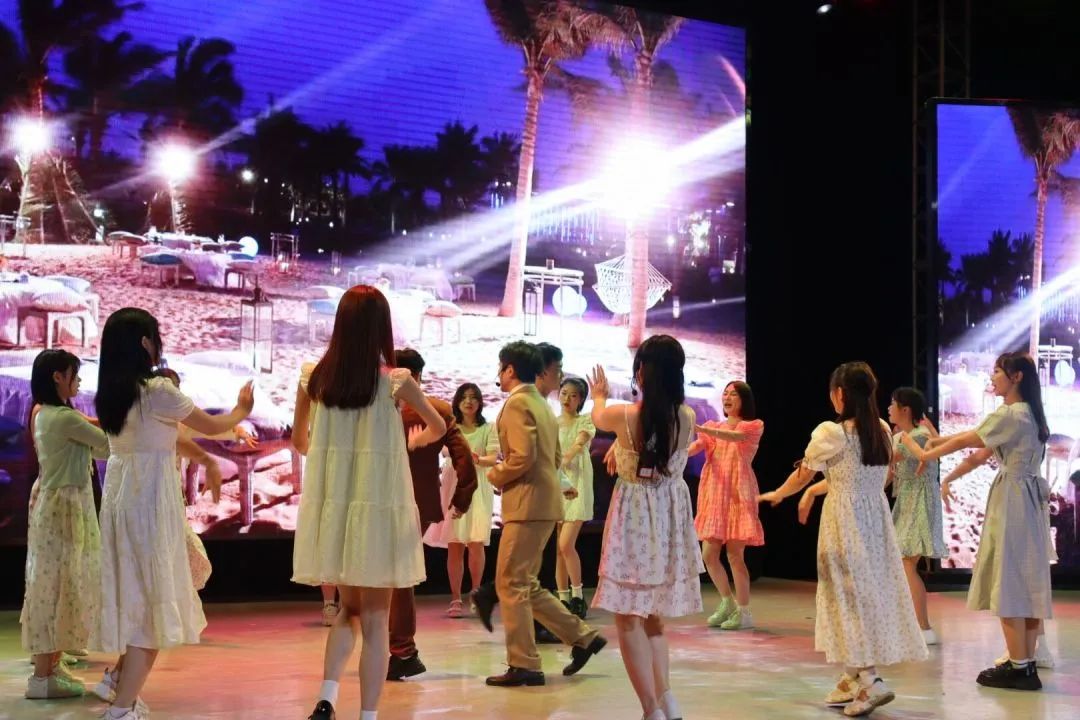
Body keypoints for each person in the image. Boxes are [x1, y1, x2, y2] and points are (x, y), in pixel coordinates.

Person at [291, 286, 446, 720]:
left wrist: (333, 461)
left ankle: (326, 699)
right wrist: (413, 442)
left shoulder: (314, 378)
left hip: (338, 513)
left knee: (348, 610)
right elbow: (438, 426)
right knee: (376, 620)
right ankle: (368, 715)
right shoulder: (396, 381)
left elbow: (300, 441)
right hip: (378, 511)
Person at [93, 308, 254, 720]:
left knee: (139, 601)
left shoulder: (113, 394)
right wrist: (241, 410)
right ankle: (122, 709)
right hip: (149, 503)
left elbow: (177, 435)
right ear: (145, 343)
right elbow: (211, 426)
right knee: (152, 610)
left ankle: (121, 692)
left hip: (121, 501)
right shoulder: (157, 390)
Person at [760, 362, 926, 717]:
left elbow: (804, 474)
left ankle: (870, 679)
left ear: (839, 394)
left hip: (845, 523)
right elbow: (875, 476)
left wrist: (780, 493)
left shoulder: (832, 433)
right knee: (860, 595)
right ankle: (852, 676)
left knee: (848, 598)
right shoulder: (881, 429)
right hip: (875, 522)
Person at [899, 352, 1051, 691]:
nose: (992, 377)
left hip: (1013, 500)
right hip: (1027, 501)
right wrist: (937, 442)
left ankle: (1020, 667)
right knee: (1023, 580)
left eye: (998, 371)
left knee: (1009, 580)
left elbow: (968, 440)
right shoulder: (1029, 413)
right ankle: (1024, 663)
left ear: (1016, 377)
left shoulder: (1010, 414)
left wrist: (926, 452)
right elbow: (972, 439)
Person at [474, 341, 606, 687]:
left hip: (528, 503)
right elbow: (552, 456)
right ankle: (583, 637)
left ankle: (525, 664)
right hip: (541, 502)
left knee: (511, 583)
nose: (499, 374)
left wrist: (495, 475)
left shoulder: (519, 403)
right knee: (523, 582)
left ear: (510, 369)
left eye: (501, 367)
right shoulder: (542, 405)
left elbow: (522, 457)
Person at [588, 335, 704, 720]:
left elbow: (598, 416)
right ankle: (667, 701)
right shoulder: (686, 416)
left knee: (628, 618)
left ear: (642, 371)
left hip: (636, 518)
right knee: (652, 617)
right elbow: (655, 446)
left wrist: (599, 393)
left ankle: (651, 709)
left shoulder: (625, 416)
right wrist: (620, 450)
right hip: (669, 518)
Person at [21, 350, 109, 700]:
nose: (79, 380)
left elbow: (93, 440)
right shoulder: (61, 417)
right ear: (58, 377)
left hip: (58, 504)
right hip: (64, 508)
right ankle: (43, 677)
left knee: (55, 583)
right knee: (57, 586)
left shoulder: (47, 413)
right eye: (74, 373)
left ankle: (50, 666)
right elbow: (105, 446)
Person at [386, 348, 476, 682]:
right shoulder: (437, 409)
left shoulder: (379, 410)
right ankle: (401, 650)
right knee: (400, 575)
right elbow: (463, 458)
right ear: (419, 376)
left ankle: (401, 650)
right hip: (419, 504)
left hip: (377, 500)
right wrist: (462, 498)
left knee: (389, 577)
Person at [688, 380, 764, 631]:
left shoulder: (753, 426)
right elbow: (697, 447)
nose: (727, 398)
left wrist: (702, 429)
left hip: (737, 496)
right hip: (714, 495)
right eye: (725, 393)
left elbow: (734, 437)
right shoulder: (713, 428)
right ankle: (727, 603)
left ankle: (744, 612)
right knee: (708, 555)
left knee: (734, 556)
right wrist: (674, 453)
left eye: (733, 394)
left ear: (744, 400)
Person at [424, 383, 500, 618]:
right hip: (453, 483)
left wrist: (476, 459)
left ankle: (476, 594)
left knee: (476, 542)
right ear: (457, 401)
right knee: (455, 543)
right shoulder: (451, 426)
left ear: (480, 402)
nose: (469, 401)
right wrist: (464, 455)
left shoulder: (488, 427)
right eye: (464, 397)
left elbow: (493, 457)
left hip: (478, 486)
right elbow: (445, 451)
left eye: (473, 397)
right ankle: (455, 598)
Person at [885, 387, 946, 646]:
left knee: (907, 562)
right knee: (903, 563)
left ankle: (923, 627)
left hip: (918, 501)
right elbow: (890, 469)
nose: (889, 408)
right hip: (909, 500)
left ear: (905, 409)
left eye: (892, 404)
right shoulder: (910, 435)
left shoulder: (918, 436)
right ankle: (912, 625)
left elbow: (888, 458)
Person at [555, 376, 595, 619]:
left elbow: (580, 443)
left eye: (573, 395)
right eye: (564, 393)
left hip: (577, 484)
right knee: (559, 548)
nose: (567, 399)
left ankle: (578, 596)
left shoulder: (585, 420)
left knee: (565, 544)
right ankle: (562, 598)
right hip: (558, 485)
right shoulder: (552, 422)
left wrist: (564, 460)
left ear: (581, 399)